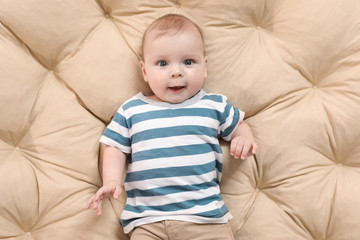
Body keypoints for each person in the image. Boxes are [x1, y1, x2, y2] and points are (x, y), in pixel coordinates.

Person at [86, 14, 258, 240]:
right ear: (145, 71)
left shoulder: (213, 105)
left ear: (204, 67)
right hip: (147, 221)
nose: (176, 72)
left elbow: (239, 125)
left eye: (188, 62)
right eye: (162, 63)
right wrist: (111, 180)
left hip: (204, 219)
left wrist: (243, 137)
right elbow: (115, 148)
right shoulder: (132, 110)